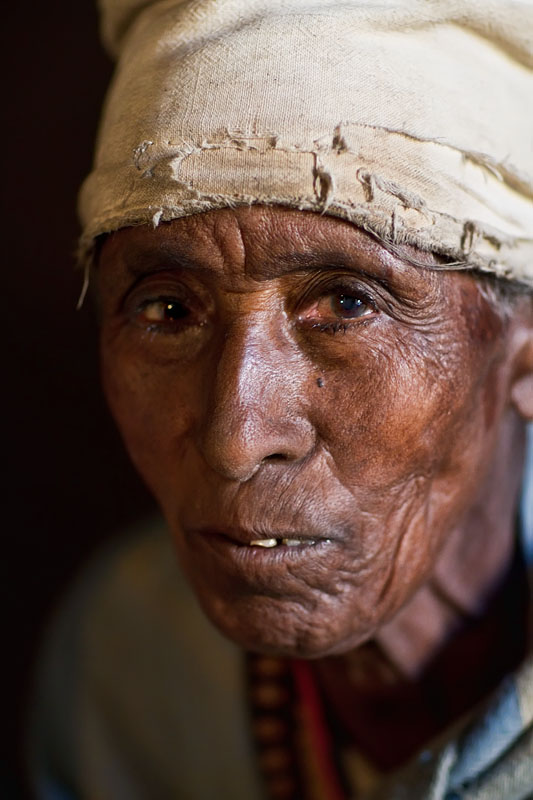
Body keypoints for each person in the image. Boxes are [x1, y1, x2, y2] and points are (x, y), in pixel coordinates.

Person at [29, 1, 533, 798]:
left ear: (521, 352)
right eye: (168, 309)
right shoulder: (129, 660)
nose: (234, 438)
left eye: (348, 303)